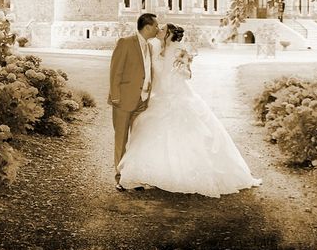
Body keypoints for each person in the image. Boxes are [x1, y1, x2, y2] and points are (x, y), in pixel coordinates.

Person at [117, 23, 262, 198]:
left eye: (162, 29)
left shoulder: (181, 51)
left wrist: (182, 71)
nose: (159, 30)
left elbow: (189, 74)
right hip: (159, 98)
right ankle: (152, 174)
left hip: (179, 97)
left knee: (186, 133)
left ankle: (185, 175)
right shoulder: (154, 48)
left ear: (169, 33)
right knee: (146, 127)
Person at [108, 13, 159, 191]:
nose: (158, 29)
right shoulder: (125, 42)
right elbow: (115, 71)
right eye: (156, 26)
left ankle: (134, 175)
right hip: (123, 99)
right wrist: (115, 96)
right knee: (121, 139)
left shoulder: (151, 48)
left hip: (142, 101)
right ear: (147, 27)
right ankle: (120, 177)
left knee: (137, 140)